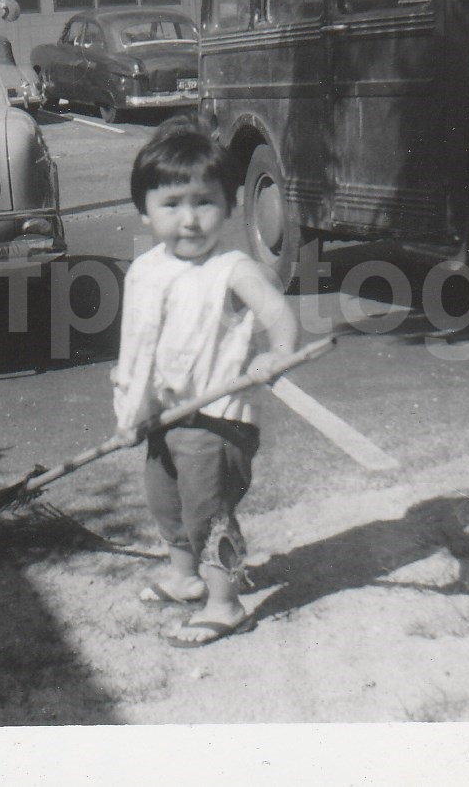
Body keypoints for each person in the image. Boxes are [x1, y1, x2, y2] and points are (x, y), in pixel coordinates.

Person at [109, 119, 298, 648]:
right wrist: (132, 408)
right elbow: (138, 346)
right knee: (165, 500)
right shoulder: (143, 270)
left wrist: (278, 354)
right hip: (162, 415)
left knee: (208, 512)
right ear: (144, 209)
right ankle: (185, 577)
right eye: (172, 204)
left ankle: (225, 602)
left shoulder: (231, 269)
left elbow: (280, 317)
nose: (189, 220)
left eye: (204, 202)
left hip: (217, 419)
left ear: (230, 204)